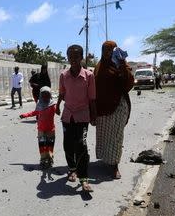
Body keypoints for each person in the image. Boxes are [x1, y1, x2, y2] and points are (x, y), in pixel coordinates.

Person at [56, 44, 96, 192]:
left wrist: (94, 115)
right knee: (68, 144)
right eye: (70, 57)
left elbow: (92, 99)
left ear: (81, 58)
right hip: (68, 115)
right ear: (67, 57)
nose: (73, 59)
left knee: (81, 145)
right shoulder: (63, 75)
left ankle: (84, 178)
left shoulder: (89, 76)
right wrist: (58, 105)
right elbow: (62, 92)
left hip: (82, 116)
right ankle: (72, 169)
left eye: (76, 57)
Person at [94, 41, 134, 179]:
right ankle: (106, 160)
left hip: (118, 106)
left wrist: (122, 66)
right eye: (104, 49)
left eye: (110, 50)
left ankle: (115, 165)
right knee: (104, 135)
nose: (107, 52)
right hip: (102, 108)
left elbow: (129, 84)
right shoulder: (99, 67)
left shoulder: (121, 64)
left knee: (116, 136)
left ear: (114, 50)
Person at [19, 86, 56, 168]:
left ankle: (50, 159)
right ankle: (43, 159)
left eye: (47, 94)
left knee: (50, 145)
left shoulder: (53, 105)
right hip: (41, 129)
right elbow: (35, 112)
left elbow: (59, 112)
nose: (45, 96)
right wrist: (24, 115)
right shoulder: (39, 104)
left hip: (51, 129)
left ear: (50, 95)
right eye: (44, 94)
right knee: (42, 145)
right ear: (41, 95)